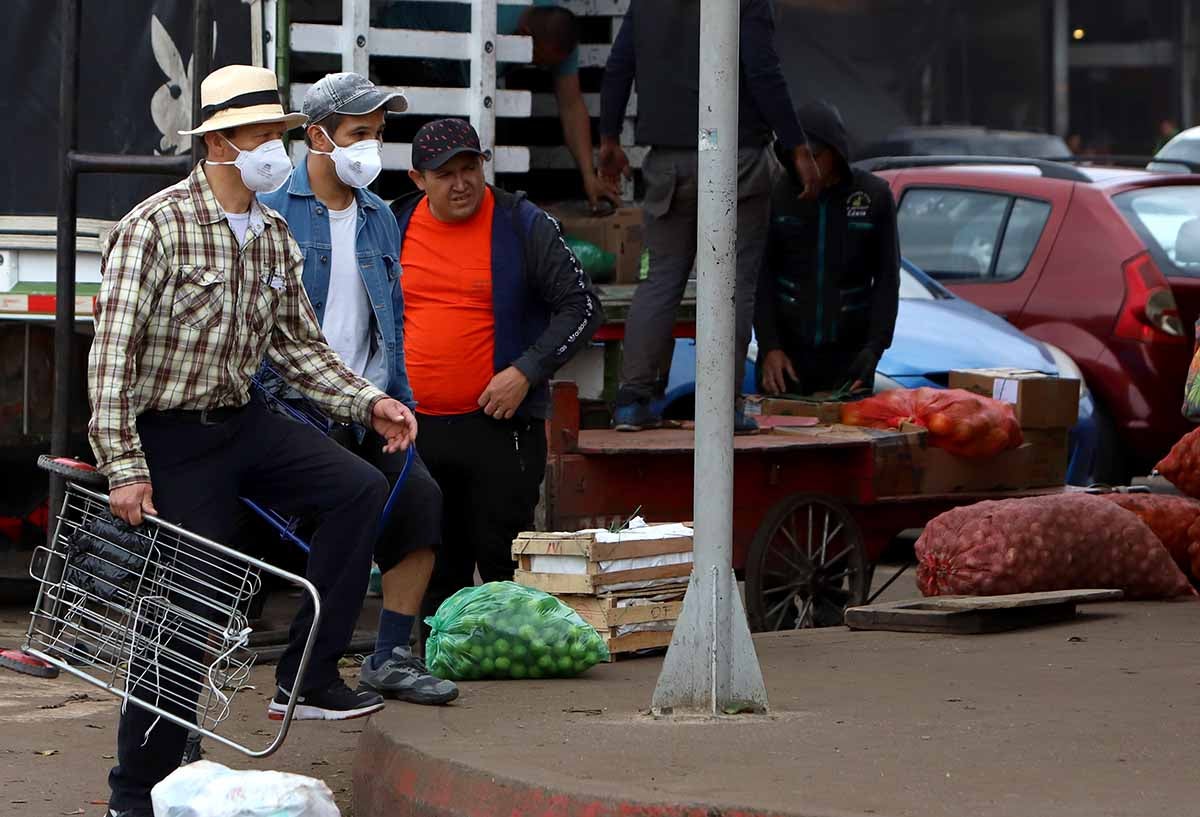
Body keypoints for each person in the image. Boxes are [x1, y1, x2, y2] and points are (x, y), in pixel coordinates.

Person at [94, 65, 418, 817]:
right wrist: (124, 466)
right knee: (188, 611)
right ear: (217, 144)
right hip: (171, 437)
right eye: (257, 134)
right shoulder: (156, 227)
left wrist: (369, 401)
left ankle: (307, 674)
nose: (271, 145)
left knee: (358, 487)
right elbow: (111, 359)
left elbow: (300, 350)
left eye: (275, 131)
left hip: (244, 420)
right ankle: (136, 789)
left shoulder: (272, 235)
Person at [258, 72, 458, 706]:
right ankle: (305, 672)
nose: (372, 149)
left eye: (377, 134)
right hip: (291, 406)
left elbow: (389, 323)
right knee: (345, 512)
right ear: (318, 137)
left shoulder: (377, 217)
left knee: (420, 505)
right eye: (359, 134)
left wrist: (395, 400)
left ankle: (390, 654)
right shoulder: (273, 210)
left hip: (367, 406)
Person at [387, 118, 602, 616]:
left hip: (501, 428)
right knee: (432, 562)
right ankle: (439, 663)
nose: (461, 183)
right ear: (418, 179)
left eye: (470, 168)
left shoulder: (522, 223)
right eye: (445, 174)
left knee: (504, 560)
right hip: (415, 430)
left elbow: (582, 307)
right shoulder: (391, 222)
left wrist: (526, 370)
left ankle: (511, 675)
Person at [598, 0, 819, 432]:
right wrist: (795, 145)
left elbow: (619, 64)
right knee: (734, 281)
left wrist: (608, 136)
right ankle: (721, 405)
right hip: (736, 155)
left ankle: (632, 400)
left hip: (668, 160)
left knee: (661, 279)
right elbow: (762, 69)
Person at [375, 0, 620, 210]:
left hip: (452, 56)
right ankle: (403, 203)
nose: (543, 68)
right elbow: (466, 106)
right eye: (540, 60)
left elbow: (571, 104)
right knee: (424, 129)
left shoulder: (558, 33)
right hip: (401, 36)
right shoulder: (491, 27)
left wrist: (589, 176)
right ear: (524, 34)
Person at [755, 101, 899, 398]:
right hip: (785, 360)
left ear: (836, 152)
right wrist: (769, 346)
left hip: (849, 357)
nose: (806, 166)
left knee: (845, 442)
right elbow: (759, 276)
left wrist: (874, 349)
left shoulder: (873, 195)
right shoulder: (775, 195)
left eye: (814, 156)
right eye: (797, 157)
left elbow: (887, 279)